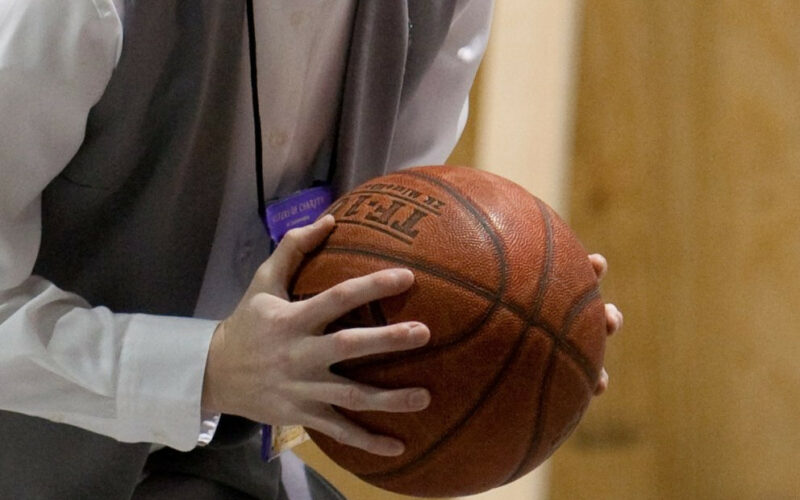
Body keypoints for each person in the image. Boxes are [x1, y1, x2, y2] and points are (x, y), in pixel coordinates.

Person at [0, 1, 621, 498]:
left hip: (229, 459)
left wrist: (527, 332)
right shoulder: (69, 10)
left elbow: (384, 246)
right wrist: (207, 369)